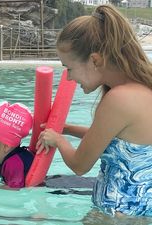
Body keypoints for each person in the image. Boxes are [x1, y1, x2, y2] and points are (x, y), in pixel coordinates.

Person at [36, 4, 152, 217]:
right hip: (136, 213)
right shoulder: (141, 90)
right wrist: (66, 129)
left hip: (117, 215)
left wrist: (58, 140)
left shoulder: (119, 99)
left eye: (69, 68)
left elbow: (80, 165)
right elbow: (113, 140)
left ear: (95, 60)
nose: (69, 78)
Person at [0, 101, 34, 189]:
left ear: (6, 147)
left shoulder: (14, 163)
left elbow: (14, 188)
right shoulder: (12, 158)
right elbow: (5, 173)